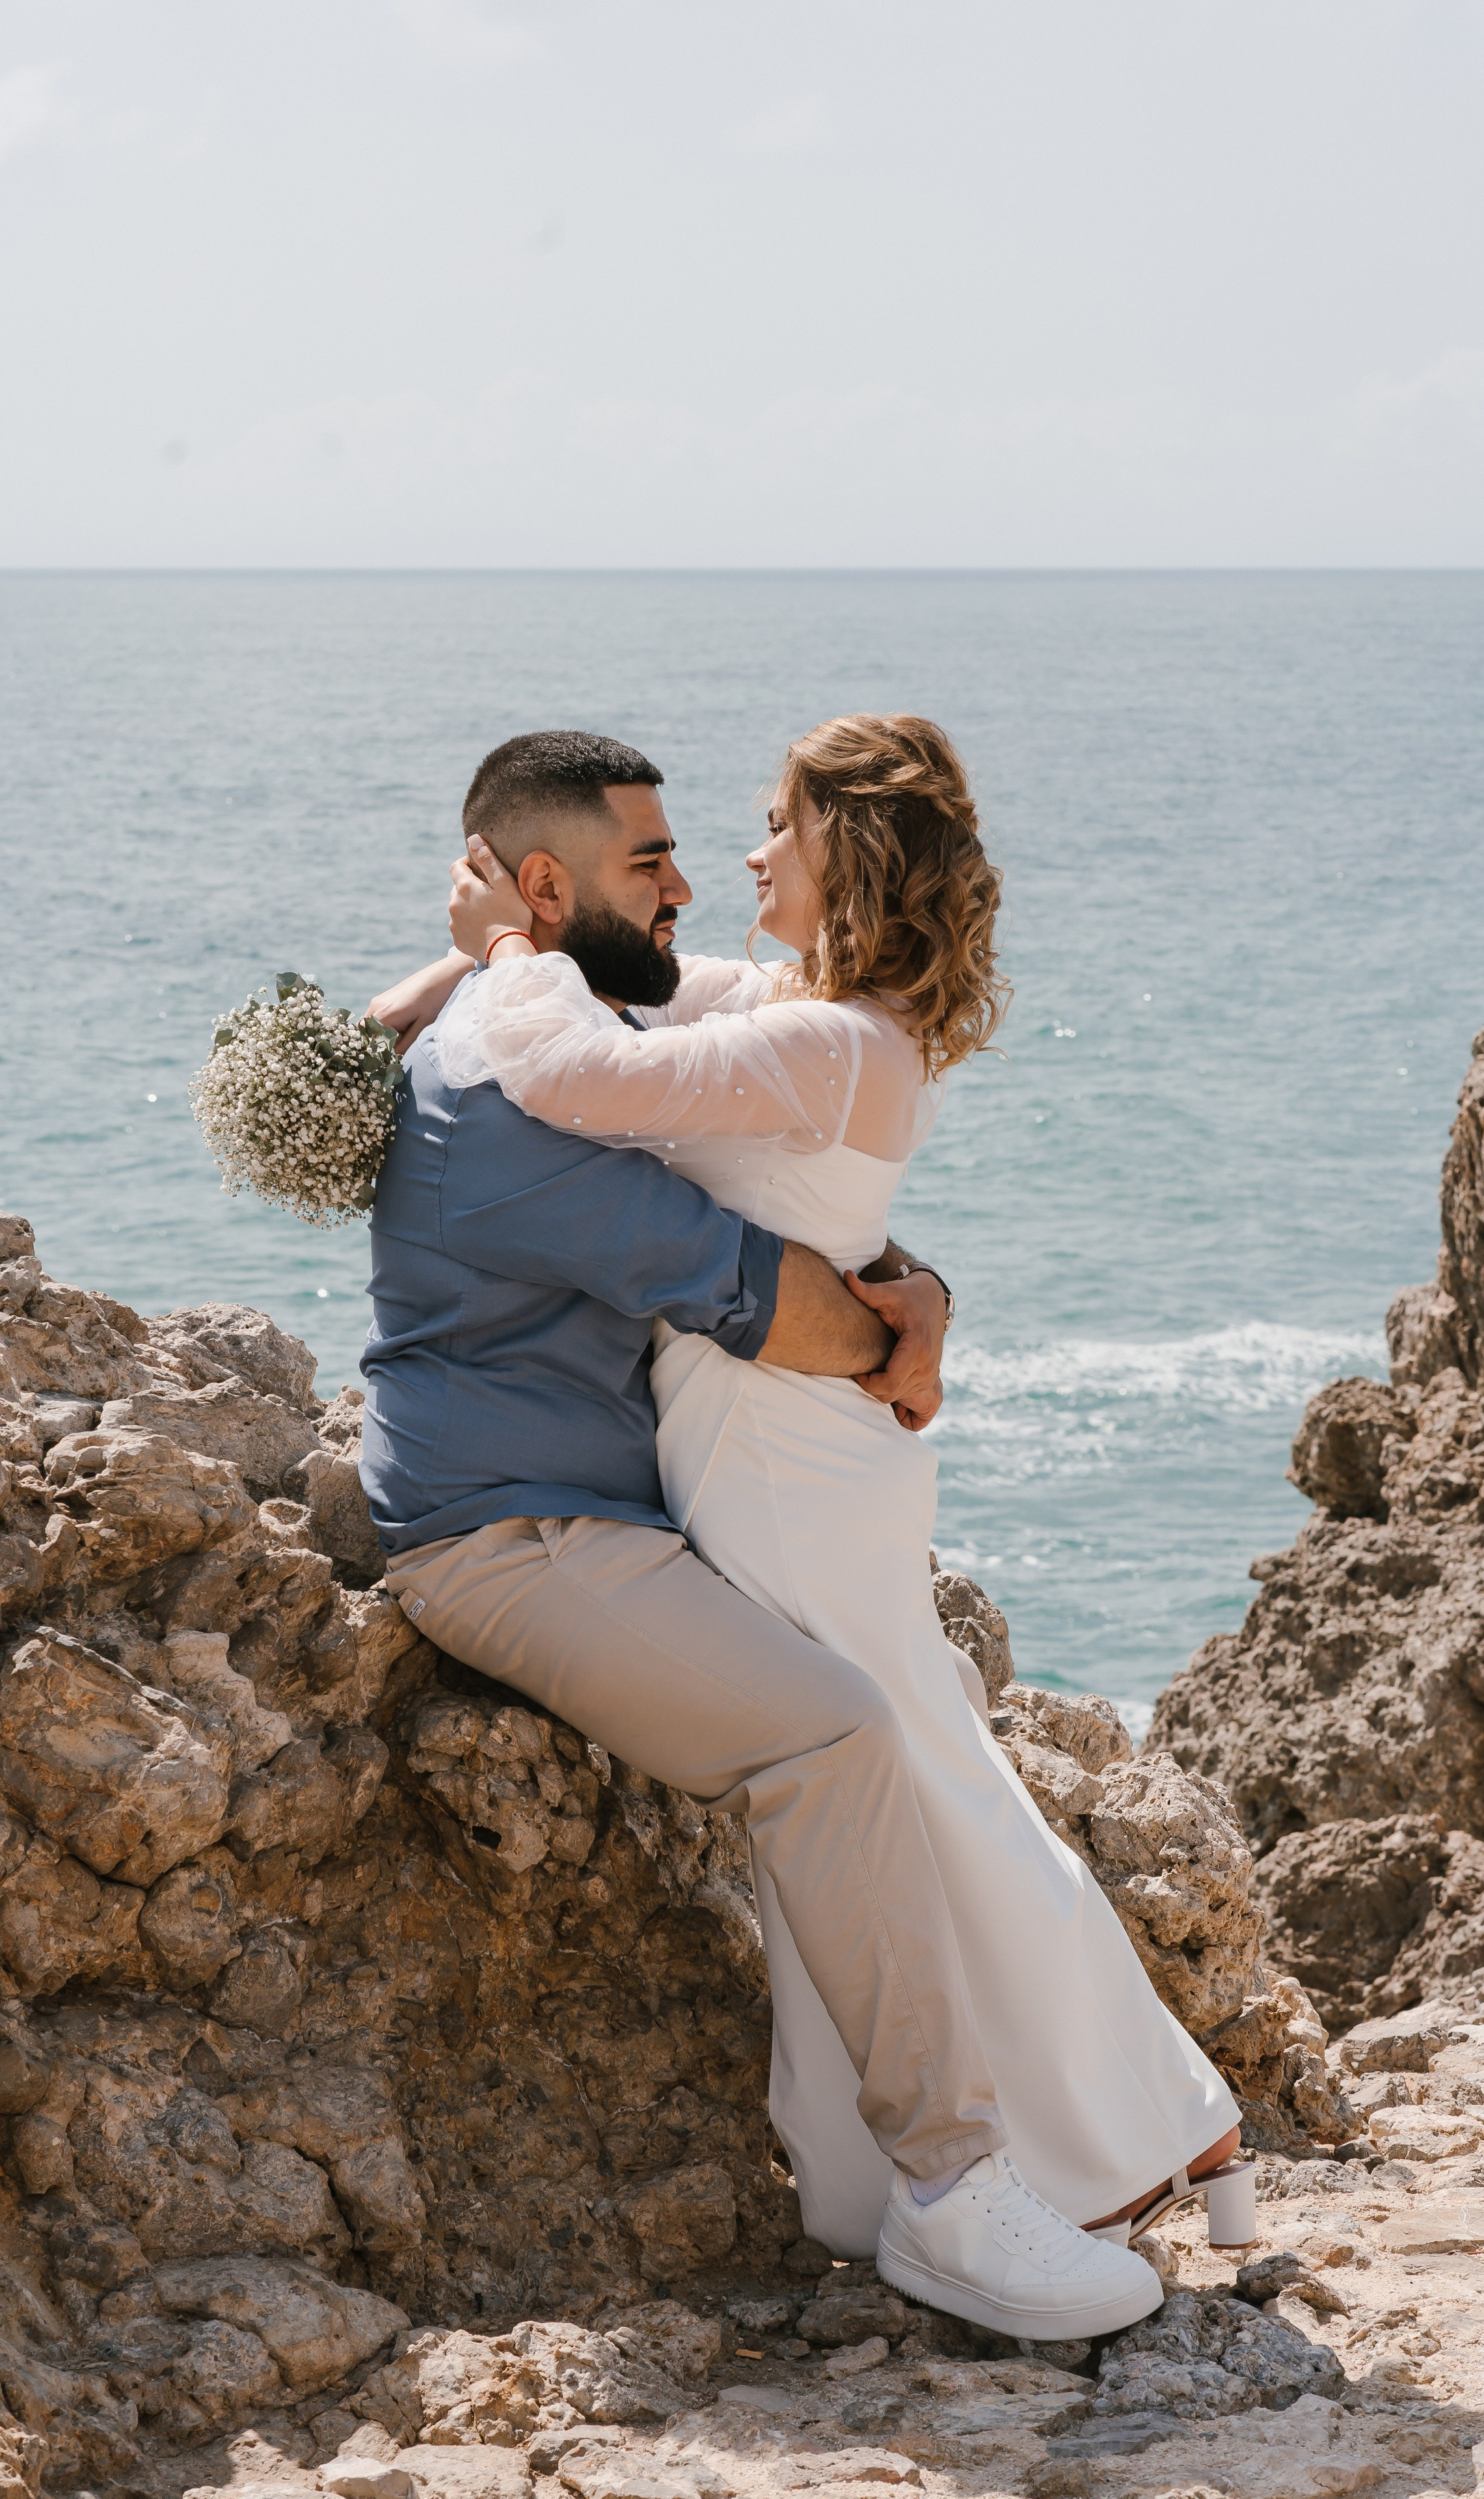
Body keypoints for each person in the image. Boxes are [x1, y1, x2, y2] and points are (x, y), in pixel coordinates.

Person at [359, 730, 1198, 2342]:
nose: (691, 885)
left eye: (713, 844)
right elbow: (767, 1296)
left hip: (605, 1506)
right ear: (545, 892)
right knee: (836, 1732)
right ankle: (950, 2192)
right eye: (649, 863)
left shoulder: (555, 1024)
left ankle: (987, 2156)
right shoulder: (508, 1101)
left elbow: (772, 1169)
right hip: (512, 1530)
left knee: (892, 1724)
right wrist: (903, 1327)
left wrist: (915, 1282)